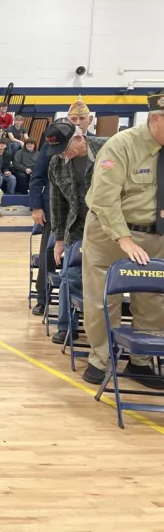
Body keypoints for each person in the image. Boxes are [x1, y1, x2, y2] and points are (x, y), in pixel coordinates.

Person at [78, 93, 164, 389]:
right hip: (110, 233)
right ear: (155, 119)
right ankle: (102, 360)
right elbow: (104, 199)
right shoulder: (122, 144)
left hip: (156, 234)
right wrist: (124, 239)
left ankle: (139, 362)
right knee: (104, 299)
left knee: (152, 300)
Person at [29, 97, 91, 315]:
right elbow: (37, 176)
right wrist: (36, 207)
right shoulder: (53, 142)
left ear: (90, 120)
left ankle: (78, 302)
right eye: (73, 118)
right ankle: (42, 298)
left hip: (86, 216)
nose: (77, 122)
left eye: (81, 118)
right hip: (54, 209)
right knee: (49, 252)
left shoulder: (96, 146)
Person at [46, 121, 106, 344]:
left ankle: (107, 329)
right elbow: (57, 202)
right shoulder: (57, 163)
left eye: (64, 148)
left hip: (109, 227)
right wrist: (59, 239)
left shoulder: (107, 149)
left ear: (79, 139)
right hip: (77, 226)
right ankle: (66, 327)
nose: (61, 154)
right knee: (69, 276)